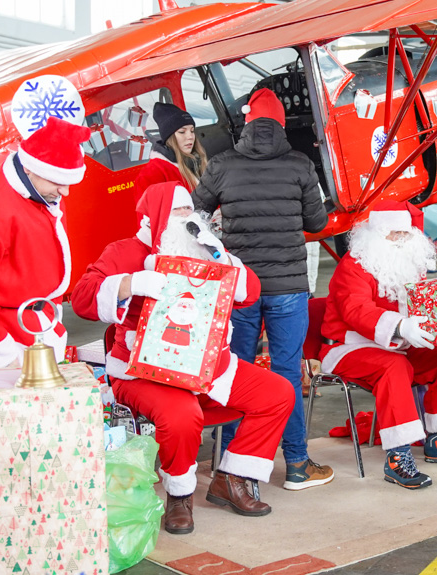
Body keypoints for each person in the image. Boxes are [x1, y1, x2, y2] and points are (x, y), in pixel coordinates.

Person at [71, 182, 296, 534]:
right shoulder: (124, 251)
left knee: (277, 393)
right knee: (181, 415)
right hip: (143, 372)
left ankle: (232, 479)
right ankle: (179, 496)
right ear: (155, 216)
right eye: (178, 212)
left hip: (207, 367)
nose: (188, 218)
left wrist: (223, 257)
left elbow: (250, 293)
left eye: (190, 210)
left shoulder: (205, 250)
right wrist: (130, 283)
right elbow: (82, 297)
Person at [192, 87, 333, 491]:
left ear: (248, 123)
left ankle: (235, 473)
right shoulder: (300, 164)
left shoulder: (221, 165)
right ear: (282, 125)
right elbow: (318, 222)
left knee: (238, 374)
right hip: (288, 287)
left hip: (240, 288)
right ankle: (297, 465)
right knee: (287, 373)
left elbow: (195, 215)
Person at [320, 201, 437, 489]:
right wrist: (399, 325)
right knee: (394, 367)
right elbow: (355, 310)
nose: (402, 240)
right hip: (348, 347)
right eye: (395, 234)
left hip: (396, 345)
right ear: (375, 234)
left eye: (406, 234)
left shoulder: (409, 263)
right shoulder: (354, 265)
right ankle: (398, 455)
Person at [0, 117, 90, 370]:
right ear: (29, 167)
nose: (65, 193)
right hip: (3, 343)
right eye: (58, 182)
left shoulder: (40, 189)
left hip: (31, 331)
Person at [134, 102, 207, 202]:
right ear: (170, 137)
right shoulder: (152, 174)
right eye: (182, 132)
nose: (190, 137)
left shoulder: (197, 162)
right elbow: (150, 215)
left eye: (192, 130)